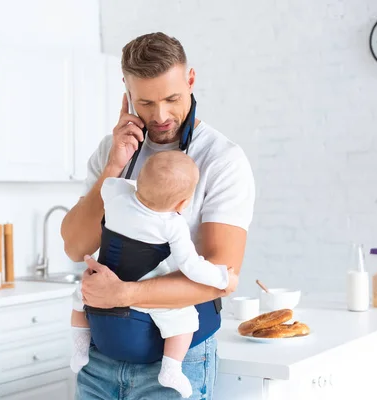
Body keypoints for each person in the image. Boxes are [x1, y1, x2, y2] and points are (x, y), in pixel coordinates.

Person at [61, 32, 255, 399]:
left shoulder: (222, 160)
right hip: (99, 357)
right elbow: (74, 246)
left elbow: (220, 276)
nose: (161, 116)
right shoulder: (112, 150)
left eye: (172, 98)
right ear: (126, 91)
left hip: (177, 361)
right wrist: (115, 166)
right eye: (145, 102)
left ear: (191, 80)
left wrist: (124, 293)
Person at [69, 151, 239, 398]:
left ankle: (79, 348)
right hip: (145, 286)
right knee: (185, 319)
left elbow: (108, 185)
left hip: (102, 278)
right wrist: (223, 278)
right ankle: (171, 368)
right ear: (182, 204)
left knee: (80, 297)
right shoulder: (173, 225)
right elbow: (192, 266)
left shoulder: (116, 196)